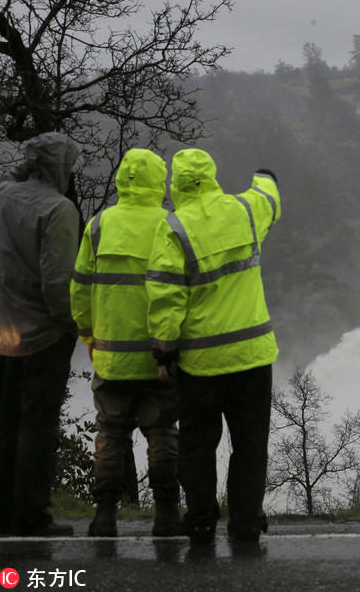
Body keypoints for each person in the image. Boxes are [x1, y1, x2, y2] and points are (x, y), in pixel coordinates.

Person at [146, 149, 280, 545]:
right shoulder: (244, 211)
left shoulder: (175, 229)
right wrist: (263, 172)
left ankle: (202, 519)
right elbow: (270, 195)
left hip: (201, 362)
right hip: (252, 357)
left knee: (198, 444)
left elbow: (166, 296)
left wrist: (165, 351)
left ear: (176, 184)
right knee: (251, 443)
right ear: (213, 175)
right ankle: (245, 523)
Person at [70, 148, 182, 537]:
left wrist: (87, 335)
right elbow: (179, 292)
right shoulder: (169, 225)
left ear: (122, 180)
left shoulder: (99, 226)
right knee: (163, 430)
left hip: (111, 356)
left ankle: (104, 515)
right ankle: (167, 514)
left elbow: (80, 290)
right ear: (158, 182)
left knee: (111, 433)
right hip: (157, 357)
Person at [0, 132, 81, 536]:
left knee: (6, 424)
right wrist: (70, 322)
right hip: (43, 335)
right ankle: (32, 515)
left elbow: (6, 178)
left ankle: (7, 514)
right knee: (38, 427)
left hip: (3, 330)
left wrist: (26, 164)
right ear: (60, 167)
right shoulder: (59, 210)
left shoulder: (6, 196)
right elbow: (57, 283)